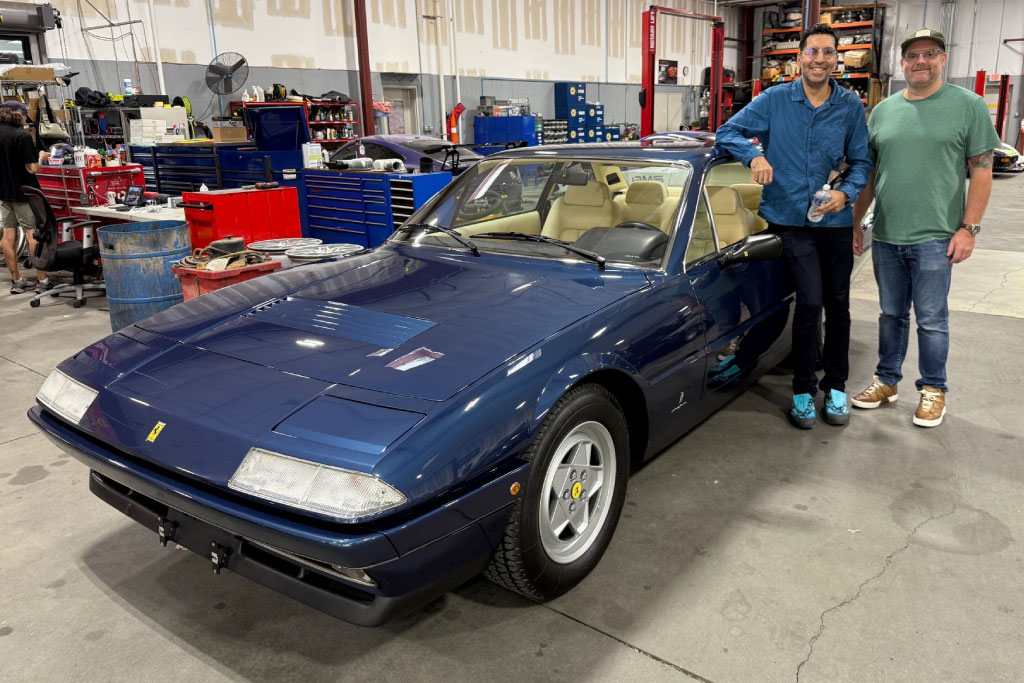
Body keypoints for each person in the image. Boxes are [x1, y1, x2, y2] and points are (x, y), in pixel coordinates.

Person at [715, 23, 871, 429]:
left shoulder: (850, 106)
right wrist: (753, 156)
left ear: (836, 59)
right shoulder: (773, 100)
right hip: (789, 220)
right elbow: (727, 131)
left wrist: (847, 193)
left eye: (827, 52)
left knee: (838, 304)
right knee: (811, 302)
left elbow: (862, 162)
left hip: (834, 219)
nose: (819, 59)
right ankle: (803, 389)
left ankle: (835, 386)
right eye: (812, 51)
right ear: (799, 57)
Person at [851, 28, 1000, 428]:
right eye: (913, 56)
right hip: (886, 235)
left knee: (931, 319)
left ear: (942, 59)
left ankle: (933, 390)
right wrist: (857, 222)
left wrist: (969, 228)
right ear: (902, 63)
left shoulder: (968, 106)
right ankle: (886, 381)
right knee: (890, 315)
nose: (921, 61)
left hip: (937, 237)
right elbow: (868, 174)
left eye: (930, 54)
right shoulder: (883, 110)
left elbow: (981, 171)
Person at [1, 100, 51, 295]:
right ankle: (43, 280)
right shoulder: (21, 136)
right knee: (32, 235)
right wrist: (41, 158)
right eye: (24, 115)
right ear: (18, 115)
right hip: (25, 194)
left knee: (8, 236)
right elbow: (32, 168)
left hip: (5, 194)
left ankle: (17, 280)